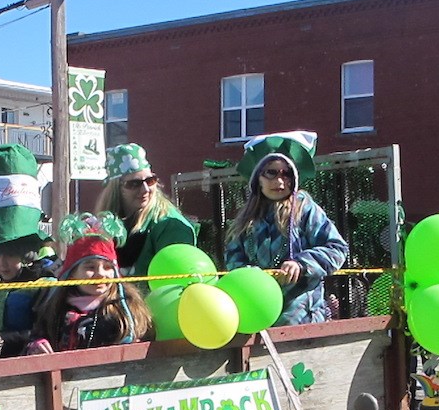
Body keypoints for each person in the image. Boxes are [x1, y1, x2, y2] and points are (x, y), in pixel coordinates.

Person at [225, 130, 348, 325]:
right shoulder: (246, 218)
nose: (280, 181)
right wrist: (248, 275)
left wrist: (301, 264)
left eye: (286, 174)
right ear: (258, 178)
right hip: (257, 317)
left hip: (301, 320)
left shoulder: (304, 208)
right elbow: (233, 258)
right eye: (271, 173)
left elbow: (337, 249)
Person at [26, 213, 152, 354]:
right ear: (72, 273)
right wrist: (36, 345)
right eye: (90, 267)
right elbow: (36, 335)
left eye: (108, 267)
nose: (100, 274)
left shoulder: (125, 309)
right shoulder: (55, 308)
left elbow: (145, 339)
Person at [0, 144, 54, 356]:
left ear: (28, 255)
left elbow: (42, 332)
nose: (1, 263)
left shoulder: (45, 286)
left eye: (11, 255)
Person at [94, 143, 196, 279]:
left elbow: (176, 284)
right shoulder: (109, 224)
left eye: (150, 180)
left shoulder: (171, 227)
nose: (145, 189)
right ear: (116, 189)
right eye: (134, 184)